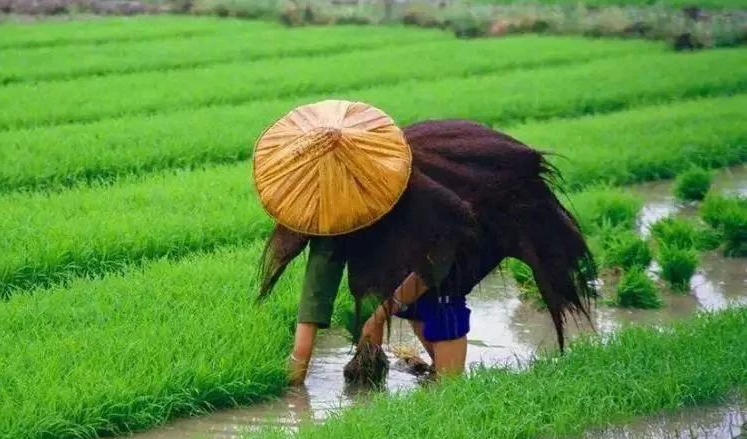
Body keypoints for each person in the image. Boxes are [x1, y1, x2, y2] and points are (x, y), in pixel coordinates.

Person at [251, 100, 596, 386]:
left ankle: (452, 391)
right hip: (430, 238)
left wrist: (377, 318)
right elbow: (319, 282)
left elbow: (437, 261)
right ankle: (438, 372)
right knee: (405, 297)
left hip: (480, 216)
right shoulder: (327, 204)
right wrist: (297, 367)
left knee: (441, 296)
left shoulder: (412, 189)